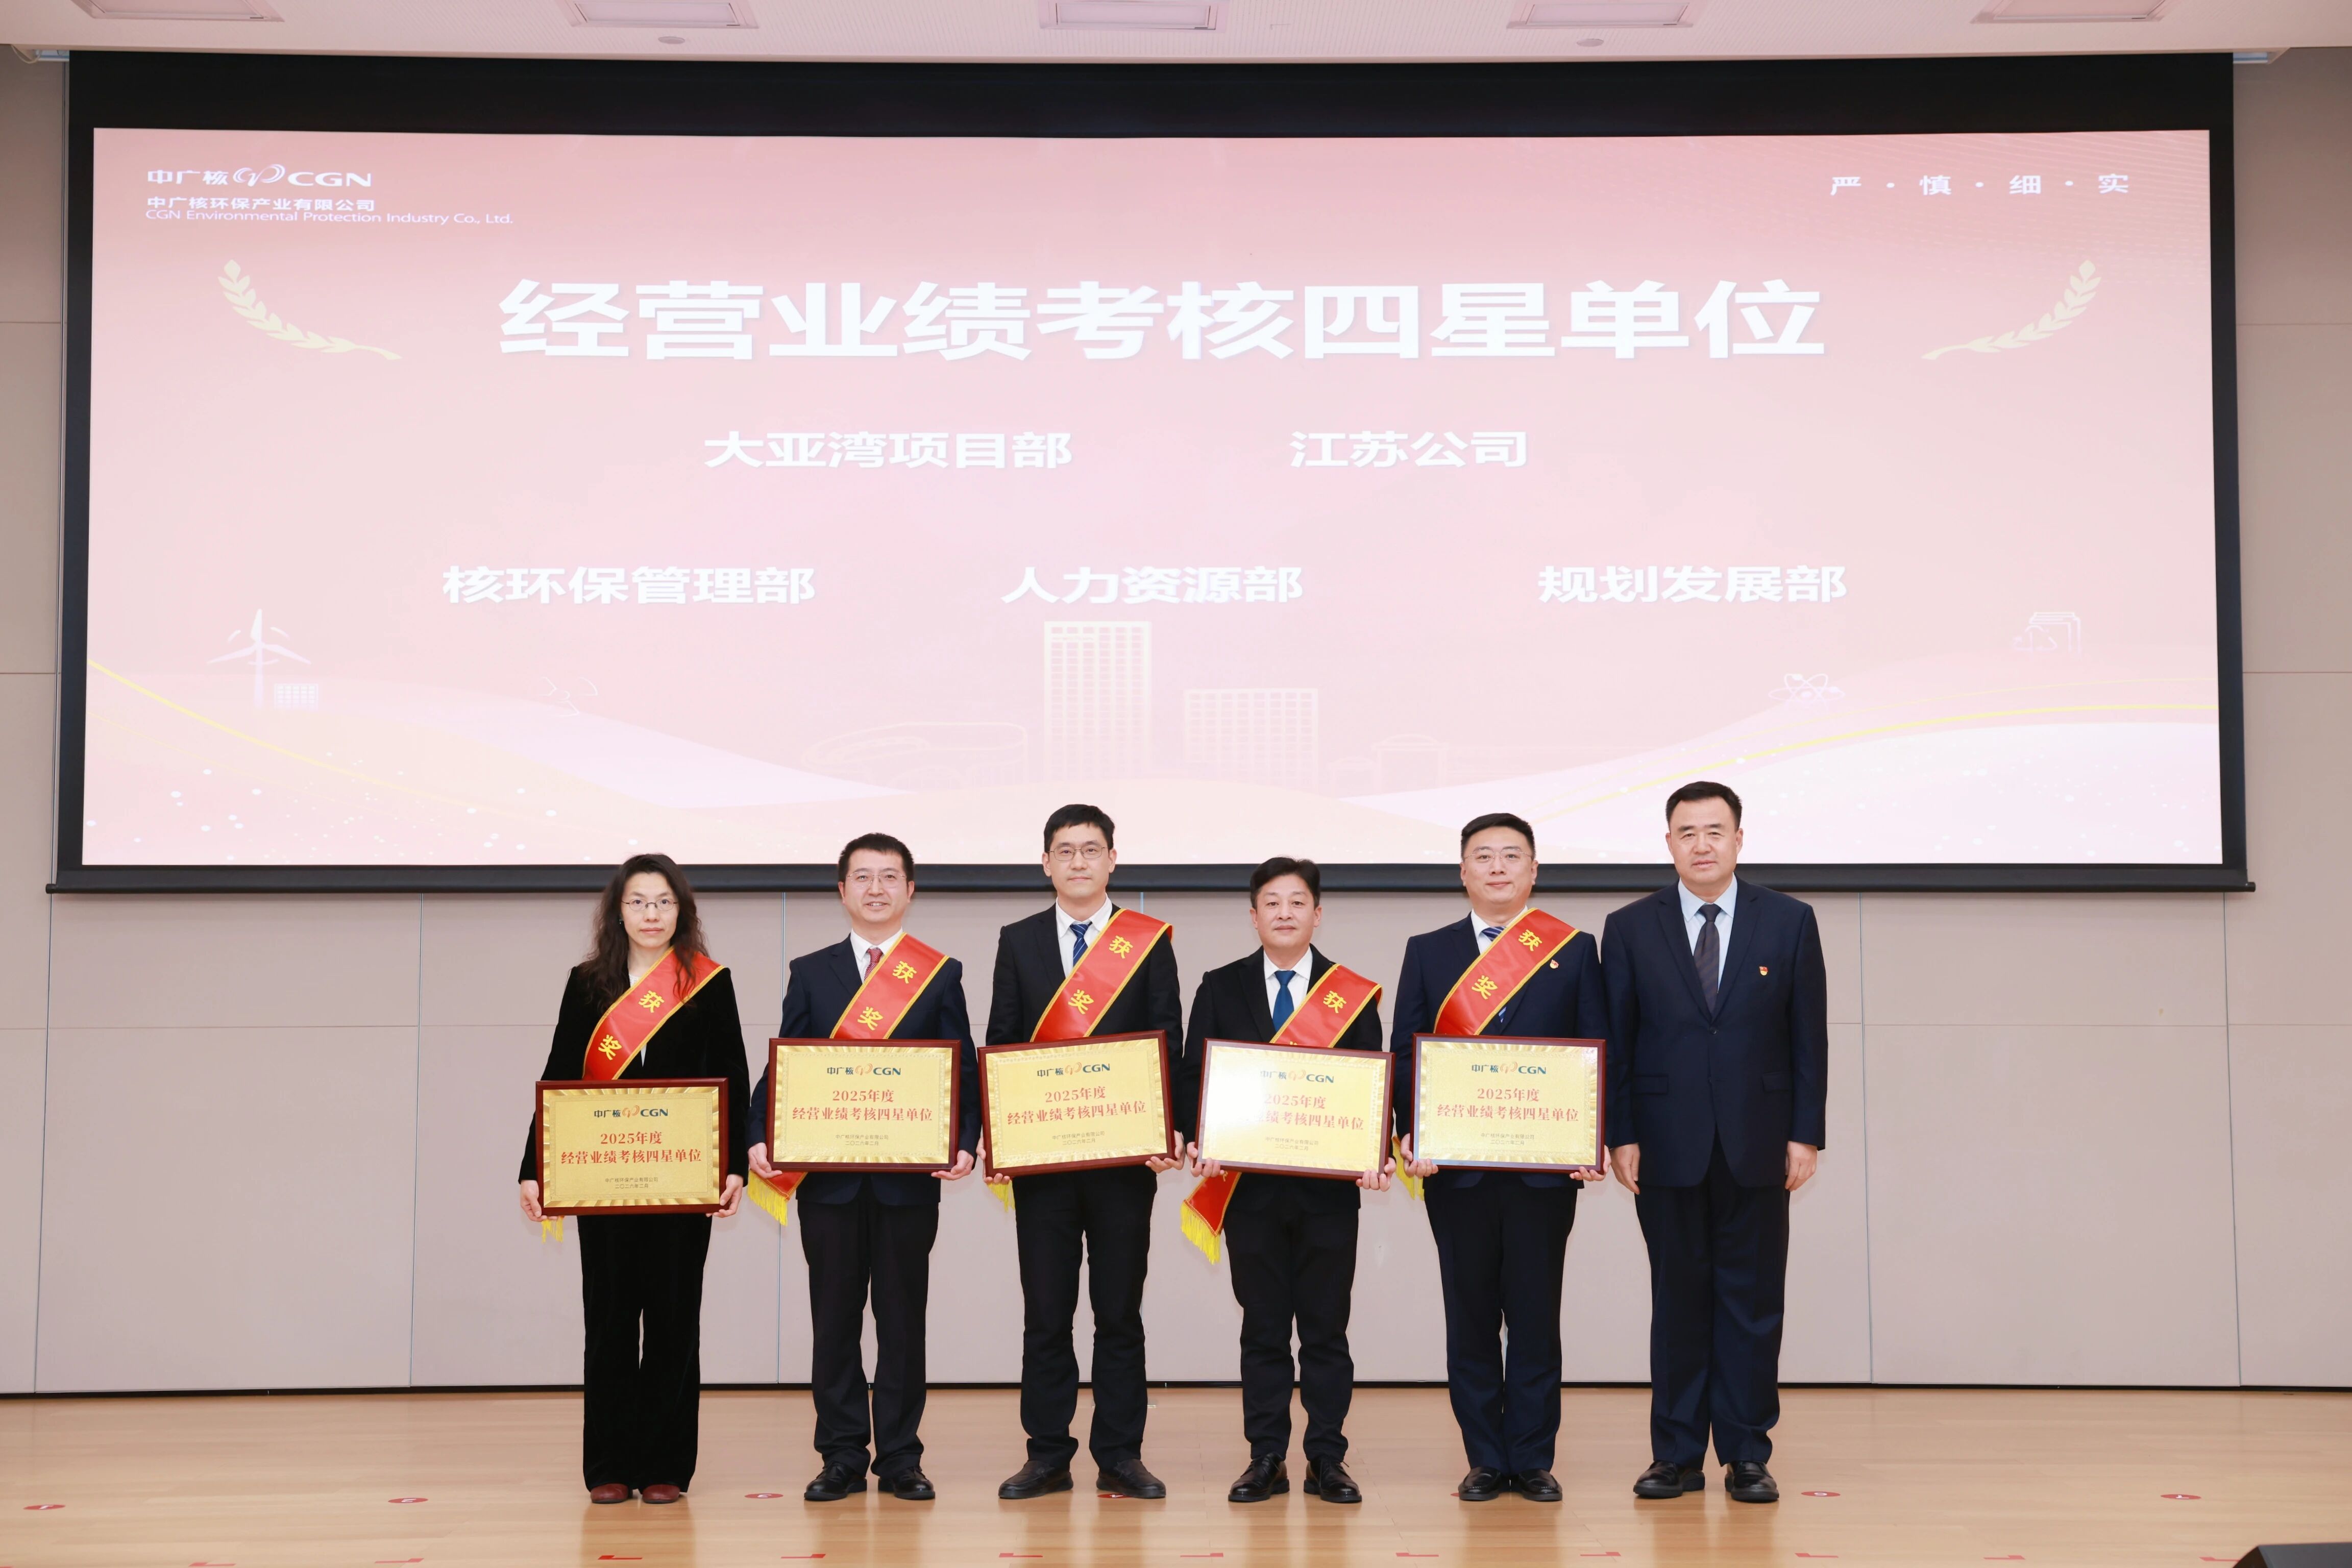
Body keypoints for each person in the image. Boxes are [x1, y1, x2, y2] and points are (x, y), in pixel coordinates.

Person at [1602, 781, 1827, 1506]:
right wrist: (1621, 1133)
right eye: (1687, 832)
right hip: (1664, 1144)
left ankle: (1747, 1454)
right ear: (1668, 843)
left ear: (1739, 839)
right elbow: (1619, 1041)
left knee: (1752, 1304)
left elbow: (1809, 1038)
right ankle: (1675, 1455)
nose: (1701, 845)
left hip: (1759, 1142)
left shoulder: (1789, 921)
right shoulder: (1629, 927)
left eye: (1714, 831)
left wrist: (1806, 1133)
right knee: (1678, 1302)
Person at [746, 833, 980, 1504]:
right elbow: (787, 1063)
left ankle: (901, 1457)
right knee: (835, 1321)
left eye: (890, 877)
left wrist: (965, 1140)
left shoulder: (939, 973)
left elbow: (962, 1067)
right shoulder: (810, 972)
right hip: (830, 1183)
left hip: (909, 1181)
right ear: (842, 890)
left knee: (903, 1323)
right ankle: (842, 1454)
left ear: (910, 889)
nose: (877, 889)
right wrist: (759, 1133)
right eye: (863, 877)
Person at [518, 853, 750, 1506]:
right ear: (618, 912)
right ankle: (609, 1465)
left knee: (675, 1321)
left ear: (682, 911)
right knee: (611, 1322)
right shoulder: (587, 983)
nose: (652, 914)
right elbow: (560, 1075)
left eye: (664, 902)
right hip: (603, 1179)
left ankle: (667, 1464)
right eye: (639, 902)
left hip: (684, 1178)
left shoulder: (708, 983)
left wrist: (734, 1166)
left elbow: (733, 1077)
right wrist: (535, 1168)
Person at [1390, 812, 1606, 1504]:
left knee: (1538, 1318)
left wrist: (1591, 1136)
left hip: (1545, 1171)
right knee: (1472, 1319)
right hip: (1457, 1171)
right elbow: (1406, 1053)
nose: (1498, 868)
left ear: (1534, 870)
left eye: (1513, 856)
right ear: (1463, 871)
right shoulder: (1429, 950)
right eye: (1483, 856)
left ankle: (1534, 1458)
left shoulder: (1574, 950)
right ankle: (1485, 1457)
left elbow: (1595, 1045)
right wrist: (1411, 1134)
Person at [985, 803, 1185, 1502]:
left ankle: (1120, 1455)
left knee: (1119, 1313)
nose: (1078, 862)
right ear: (1046, 863)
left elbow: (1168, 1038)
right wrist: (1003, 1134)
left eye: (1091, 849)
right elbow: (1004, 1040)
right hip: (1044, 1164)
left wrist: (1168, 1129)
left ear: (1112, 861)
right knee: (1046, 1314)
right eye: (1065, 851)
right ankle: (1047, 1454)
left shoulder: (1147, 940)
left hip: (1125, 1164)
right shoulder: (1019, 941)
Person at [1177, 856, 1389, 1506]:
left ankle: (1328, 1457)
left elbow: (1372, 1083)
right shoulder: (1220, 986)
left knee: (1326, 1330)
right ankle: (1265, 1455)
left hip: (1328, 1195)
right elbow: (1194, 1076)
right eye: (1272, 903)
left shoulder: (1352, 994)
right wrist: (1201, 1140)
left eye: (1298, 902)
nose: (1285, 913)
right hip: (1250, 1192)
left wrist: (1374, 1149)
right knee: (1263, 1328)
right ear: (1254, 916)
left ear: (1317, 914)